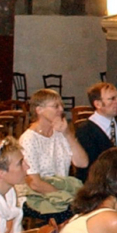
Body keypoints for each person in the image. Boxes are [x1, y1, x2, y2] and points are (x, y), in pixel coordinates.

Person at [19, 89, 89, 222]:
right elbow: (34, 183)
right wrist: (65, 197)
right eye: (56, 106)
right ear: (39, 110)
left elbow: (82, 163)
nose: (61, 109)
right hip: (36, 195)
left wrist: (68, 134)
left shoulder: (60, 133)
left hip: (59, 190)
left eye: (61, 105)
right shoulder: (29, 139)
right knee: (76, 213)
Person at [74, 83, 117, 182]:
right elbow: (90, 168)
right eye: (112, 98)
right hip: (96, 186)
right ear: (98, 104)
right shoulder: (85, 130)